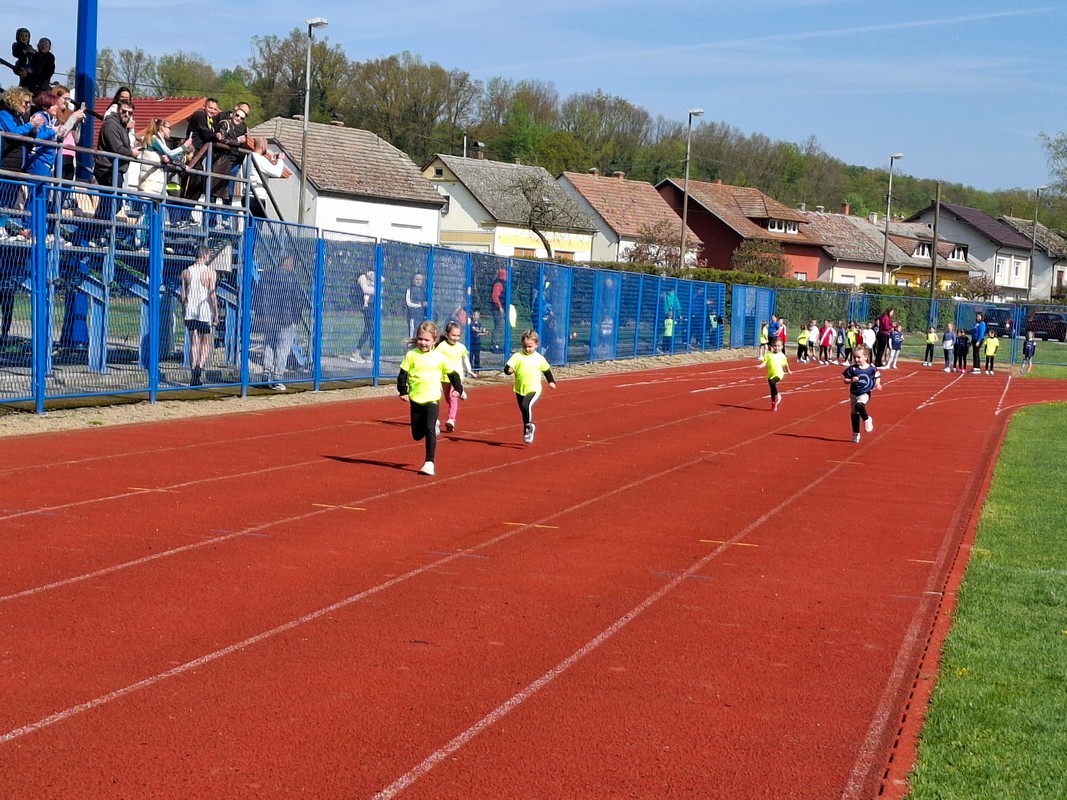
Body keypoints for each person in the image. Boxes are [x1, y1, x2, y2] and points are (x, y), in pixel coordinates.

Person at [397, 320, 466, 476]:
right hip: (416, 399)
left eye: (427, 340)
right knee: (416, 435)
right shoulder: (411, 355)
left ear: (434, 340)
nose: (423, 343)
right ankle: (430, 426)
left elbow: (453, 374)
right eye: (420, 339)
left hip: (432, 399)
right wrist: (402, 391)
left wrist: (458, 389)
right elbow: (403, 374)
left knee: (429, 430)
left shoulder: (439, 357)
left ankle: (429, 462)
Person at [253, 254, 305, 391]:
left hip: (269, 318)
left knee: (269, 345)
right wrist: (296, 319)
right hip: (285, 319)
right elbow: (297, 300)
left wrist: (260, 315)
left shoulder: (266, 276)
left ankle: (266, 373)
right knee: (283, 349)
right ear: (289, 265)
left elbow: (258, 296)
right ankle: (277, 378)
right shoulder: (292, 279)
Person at [0, 86, 44, 239]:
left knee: (10, 199)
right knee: (2, 196)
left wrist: (35, 128)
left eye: (29, 103)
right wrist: (31, 125)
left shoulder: (21, 117)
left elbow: (28, 136)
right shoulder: (4, 114)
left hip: (18, 164)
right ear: (16, 100)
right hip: (6, 161)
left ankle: (3, 227)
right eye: (25, 102)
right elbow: (13, 132)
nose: (27, 105)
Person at [504, 329, 557, 444]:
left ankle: (528, 427)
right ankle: (527, 427)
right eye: (525, 347)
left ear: (536, 345)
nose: (527, 349)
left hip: (534, 389)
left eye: (530, 346)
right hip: (519, 388)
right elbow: (507, 369)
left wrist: (551, 381)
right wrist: (509, 370)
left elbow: (546, 370)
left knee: (525, 405)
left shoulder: (539, 358)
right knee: (524, 410)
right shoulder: (517, 356)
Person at [93, 101, 141, 224]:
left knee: (110, 203)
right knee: (113, 203)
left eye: (130, 113)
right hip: (107, 169)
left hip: (115, 169)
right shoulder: (111, 124)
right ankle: (92, 230)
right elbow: (117, 148)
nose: (127, 114)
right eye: (124, 111)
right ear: (118, 110)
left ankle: (94, 230)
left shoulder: (121, 126)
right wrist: (131, 152)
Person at [180, 245, 219, 387]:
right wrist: (216, 313)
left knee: (194, 342)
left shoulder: (186, 272)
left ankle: (193, 373)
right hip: (204, 310)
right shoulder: (210, 272)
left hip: (190, 310)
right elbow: (212, 294)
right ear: (206, 256)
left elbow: (183, 295)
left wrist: (183, 310)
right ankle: (200, 366)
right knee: (206, 341)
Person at [435, 321, 476, 432]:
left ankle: (451, 420)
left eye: (458, 336)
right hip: (444, 376)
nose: (456, 338)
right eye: (453, 335)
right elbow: (435, 358)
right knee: (448, 399)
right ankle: (460, 392)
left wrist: (469, 370)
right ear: (447, 334)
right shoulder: (441, 346)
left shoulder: (461, 347)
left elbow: (465, 358)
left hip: (457, 377)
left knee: (453, 397)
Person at [138, 118, 191, 197]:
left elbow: (168, 156)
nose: (170, 131)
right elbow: (170, 153)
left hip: (155, 184)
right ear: (162, 128)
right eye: (169, 128)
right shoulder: (154, 139)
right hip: (149, 184)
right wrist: (184, 146)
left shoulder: (159, 141)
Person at [842, 344, 882, 444]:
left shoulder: (871, 368)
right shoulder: (852, 369)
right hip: (853, 394)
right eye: (855, 357)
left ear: (866, 357)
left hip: (865, 393)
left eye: (859, 357)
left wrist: (878, 384)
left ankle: (867, 419)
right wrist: (851, 380)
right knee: (854, 414)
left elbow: (877, 375)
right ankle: (856, 433)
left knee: (859, 405)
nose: (856, 359)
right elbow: (845, 380)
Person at [756, 336, 791, 411]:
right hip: (770, 374)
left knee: (772, 382)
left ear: (781, 347)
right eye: (775, 346)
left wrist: (788, 370)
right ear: (772, 346)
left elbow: (785, 364)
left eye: (778, 346)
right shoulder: (768, 355)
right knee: (772, 389)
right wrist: (760, 366)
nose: (776, 347)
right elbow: (764, 363)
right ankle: (774, 403)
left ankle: (777, 395)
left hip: (779, 374)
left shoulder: (782, 356)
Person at [350, 267, 376, 363]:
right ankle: (356, 352)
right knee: (369, 328)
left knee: (374, 330)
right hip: (367, 307)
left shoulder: (376, 280)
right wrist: (376, 288)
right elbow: (366, 290)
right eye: (371, 273)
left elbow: (380, 288)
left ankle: (372, 354)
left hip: (375, 306)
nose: (373, 276)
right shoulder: (363, 277)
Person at [404, 272, 428, 337]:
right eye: (416, 279)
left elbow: (426, 302)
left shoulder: (424, 291)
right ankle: (412, 343)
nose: (418, 281)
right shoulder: (409, 290)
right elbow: (408, 303)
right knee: (412, 331)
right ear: (413, 280)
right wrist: (420, 305)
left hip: (422, 315)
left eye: (420, 279)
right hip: (412, 315)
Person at [489, 267, 507, 352]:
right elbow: (495, 296)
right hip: (498, 309)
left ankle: (496, 344)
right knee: (498, 327)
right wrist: (500, 307)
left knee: (500, 327)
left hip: (500, 308)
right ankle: (494, 345)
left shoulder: (501, 283)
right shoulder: (499, 284)